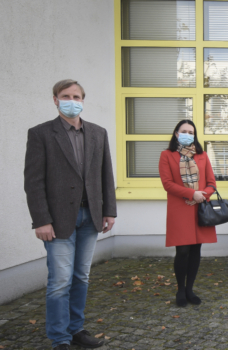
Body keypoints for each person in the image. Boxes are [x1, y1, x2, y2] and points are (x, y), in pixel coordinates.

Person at [24, 79, 117, 350]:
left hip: (91, 217)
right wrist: (41, 219)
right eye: (66, 95)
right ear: (55, 99)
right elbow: (34, 181)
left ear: (83, 100)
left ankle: (76, 329)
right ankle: (59, 337)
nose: (72, 100)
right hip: (57, 220)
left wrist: (109, 211)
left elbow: (105, 175)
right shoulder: (40, 134)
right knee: (59, 281)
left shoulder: (98, 133)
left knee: (81, 277)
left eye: (77, 96)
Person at [159, 120, 218, 307]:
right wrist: (191, 193)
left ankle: (190, 289)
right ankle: (180, 289)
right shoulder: (166, 155)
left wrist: (202, 195)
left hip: (199, 207)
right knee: (182, 250)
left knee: (195, 250)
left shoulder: (202, 156)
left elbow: (211, 183)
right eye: (184, 131)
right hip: (180, 207)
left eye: (190, 132)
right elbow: (167, 184)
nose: (187, 134)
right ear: (176, 134)